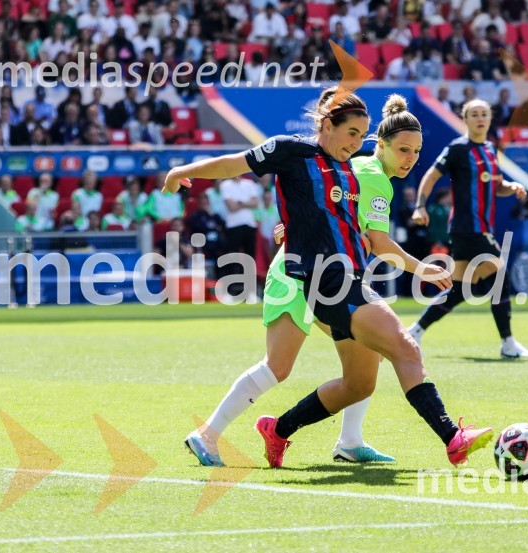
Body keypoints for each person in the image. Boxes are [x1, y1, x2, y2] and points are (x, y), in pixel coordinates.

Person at [171, 88, 492, 469]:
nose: (357, 143)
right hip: (309, 277)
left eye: (416, 151)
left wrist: (290, 226)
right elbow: (238, 165)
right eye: (353, 134)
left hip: (336, 277)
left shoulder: (347, 168)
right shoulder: (315, 157)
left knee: (361, 378)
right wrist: (184, 171)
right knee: (294, 363)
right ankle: (450, 438)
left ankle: (298, 433)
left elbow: (338, 218)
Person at [408, 98, 528, 359]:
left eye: (484, 114)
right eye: (474, 114)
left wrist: (510, 188)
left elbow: (496, 185)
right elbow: (431, 176)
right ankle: (508, 344)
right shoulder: (457, 148)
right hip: (469, 228)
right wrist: (420, 206)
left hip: (478, 227)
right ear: (465, 119)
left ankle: (415, 332)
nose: (480, 118)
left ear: (490, 119)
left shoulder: (490, 148)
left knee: (460, 289)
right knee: (499, 278)